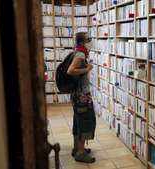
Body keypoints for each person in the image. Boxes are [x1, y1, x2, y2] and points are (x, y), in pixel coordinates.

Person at [67, 32, 95, 163]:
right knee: (85, 121)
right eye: (88, 39)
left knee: (78, 121)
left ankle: (77, 148)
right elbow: (70, 71)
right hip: (81, 96)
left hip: (77, 95)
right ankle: (81, 152)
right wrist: (87, 69)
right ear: (82, 42)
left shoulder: (77, 51)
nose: (91, 41)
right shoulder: (80, 54)